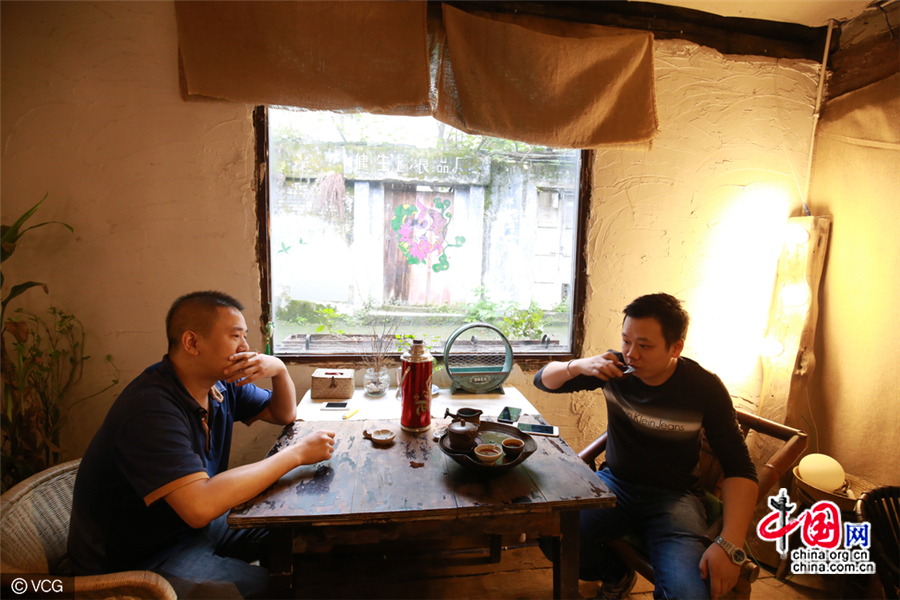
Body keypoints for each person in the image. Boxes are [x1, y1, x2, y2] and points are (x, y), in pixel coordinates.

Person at [68, 291, 336, 599]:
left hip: (191, 529)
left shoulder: (219, 385)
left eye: (245, 337)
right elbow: (200, 506)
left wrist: (278, 369)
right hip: (139, 559)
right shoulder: (150, 408)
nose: (246, 348)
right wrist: (297, 454)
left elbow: (283, 413)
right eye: (236, 336)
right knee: (281, 586)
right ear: (192, 343)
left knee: (301, 536)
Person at [534, 293, 758, 600]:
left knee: (687, 593)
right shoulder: (615, 369)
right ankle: (615, 574)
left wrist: (730, 543)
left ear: (676, 347)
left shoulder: (702, 387)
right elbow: (542, 381)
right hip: (615, 485)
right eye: (626, 340)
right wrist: (581, 365)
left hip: (674, 498)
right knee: (551, 532)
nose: (631, 354)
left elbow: (739, 466)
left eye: (644, 345)